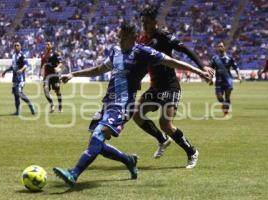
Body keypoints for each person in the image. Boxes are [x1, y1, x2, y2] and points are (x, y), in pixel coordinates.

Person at [53, 21, 212, 187]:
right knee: (96, 143)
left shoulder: (143, 52)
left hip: (123, 105)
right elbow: (99, 69)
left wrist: (199, 71)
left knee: (98, 136)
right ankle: (128, 160)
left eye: (123, 37)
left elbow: (172, 62)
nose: (120, 40)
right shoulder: (115, 52)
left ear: (134, 37)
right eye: (119, 36)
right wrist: (73, 74)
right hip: (108, 102)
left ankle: (74, 173)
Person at [132, 6, 214, 169]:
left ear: (155, 22)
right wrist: (137, 79)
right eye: (142, 22)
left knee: (165, 123)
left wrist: (202, 66)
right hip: (155, 87)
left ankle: (192, 152)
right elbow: (142, 64)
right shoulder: (141, 40)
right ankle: (162, 140)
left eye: (147, 22)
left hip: (170, 86)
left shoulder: (164, 36)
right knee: (136, 114)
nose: (144, 25)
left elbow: (185, 50)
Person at [1, 42, 35, 115]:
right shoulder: (13, 56)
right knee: (16, 95)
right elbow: (13, 66)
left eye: (18, 45)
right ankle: (17, 111)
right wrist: (5, 71)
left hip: (21, 78)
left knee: (19, 93)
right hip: (15, 78)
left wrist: (21, 70)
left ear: (20, 47)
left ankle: (31, 105)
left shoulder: (22, 55)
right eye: (15, 45)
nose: (16, 46)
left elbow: (26, 65)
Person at [210, 42, 242, 117]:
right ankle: (224, 105)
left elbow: (236, 67)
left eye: (221, 46)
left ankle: (226, 113)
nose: (220, 47)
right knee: (219, 97)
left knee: (227, 97)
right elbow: (211, 69)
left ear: (224, 47)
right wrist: (210, 79)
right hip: (218, 81)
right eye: (218, 46)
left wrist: (239, 76)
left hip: (228, 81)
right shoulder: (215, 58)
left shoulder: (229, 58)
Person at [40, 42, 64, 113]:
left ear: (51, 46)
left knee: (57, 92)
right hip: (47, 76)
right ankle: (52, 105)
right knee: (46, 91)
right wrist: (40, 74)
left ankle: (60, 106)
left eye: (49, 44)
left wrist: (57, 67)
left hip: (54, 75)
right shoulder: (43, 56)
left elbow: (61, 63)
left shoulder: (55, 54)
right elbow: (42, 66)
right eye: (46, 44)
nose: (47, 45)